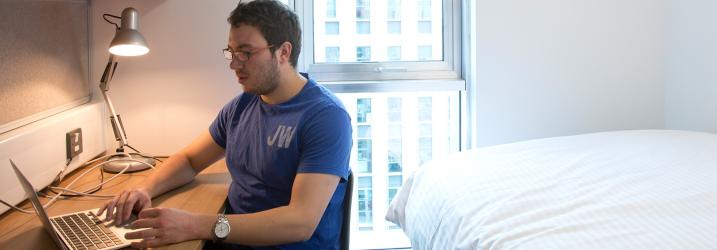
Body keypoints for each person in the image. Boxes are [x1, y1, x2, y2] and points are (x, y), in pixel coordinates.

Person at [96, 0, 353, 249]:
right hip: (232, 240)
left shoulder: (326, 117)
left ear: (283, 52)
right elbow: (189, 160)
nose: (233, 64)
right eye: (231, 52)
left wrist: (197, 225)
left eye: (246, 52)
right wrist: (145, 188)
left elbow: (299, 223)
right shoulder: (242, 105)